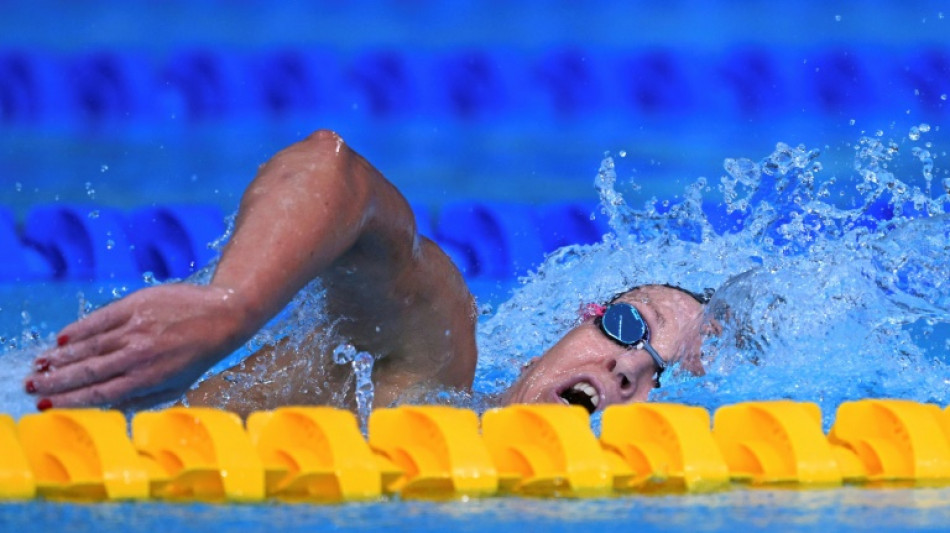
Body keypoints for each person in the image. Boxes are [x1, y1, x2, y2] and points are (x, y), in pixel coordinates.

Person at [23, 130, 710, 417]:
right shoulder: (437, 363)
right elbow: (332, 166)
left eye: (660, 373)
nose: (627, 369)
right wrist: (228, 307)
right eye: (629, 327)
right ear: (581, 317)